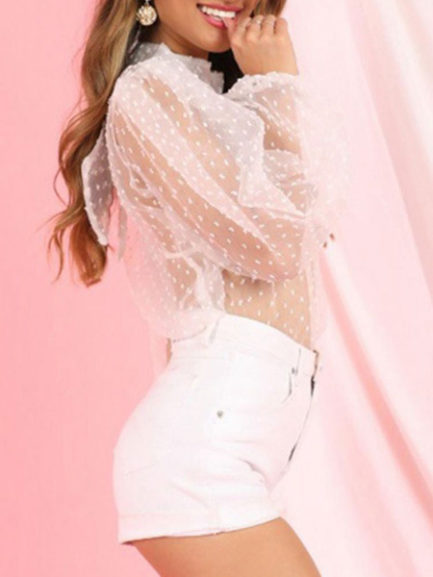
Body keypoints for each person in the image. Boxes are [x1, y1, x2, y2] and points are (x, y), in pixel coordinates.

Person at [47, 0, 349, 575]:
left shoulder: (213, 95)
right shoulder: (149, 92)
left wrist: (265, 88)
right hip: (199, 458)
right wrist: (277, 85)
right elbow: (279, 244)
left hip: (227, 450)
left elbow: (290, 230)